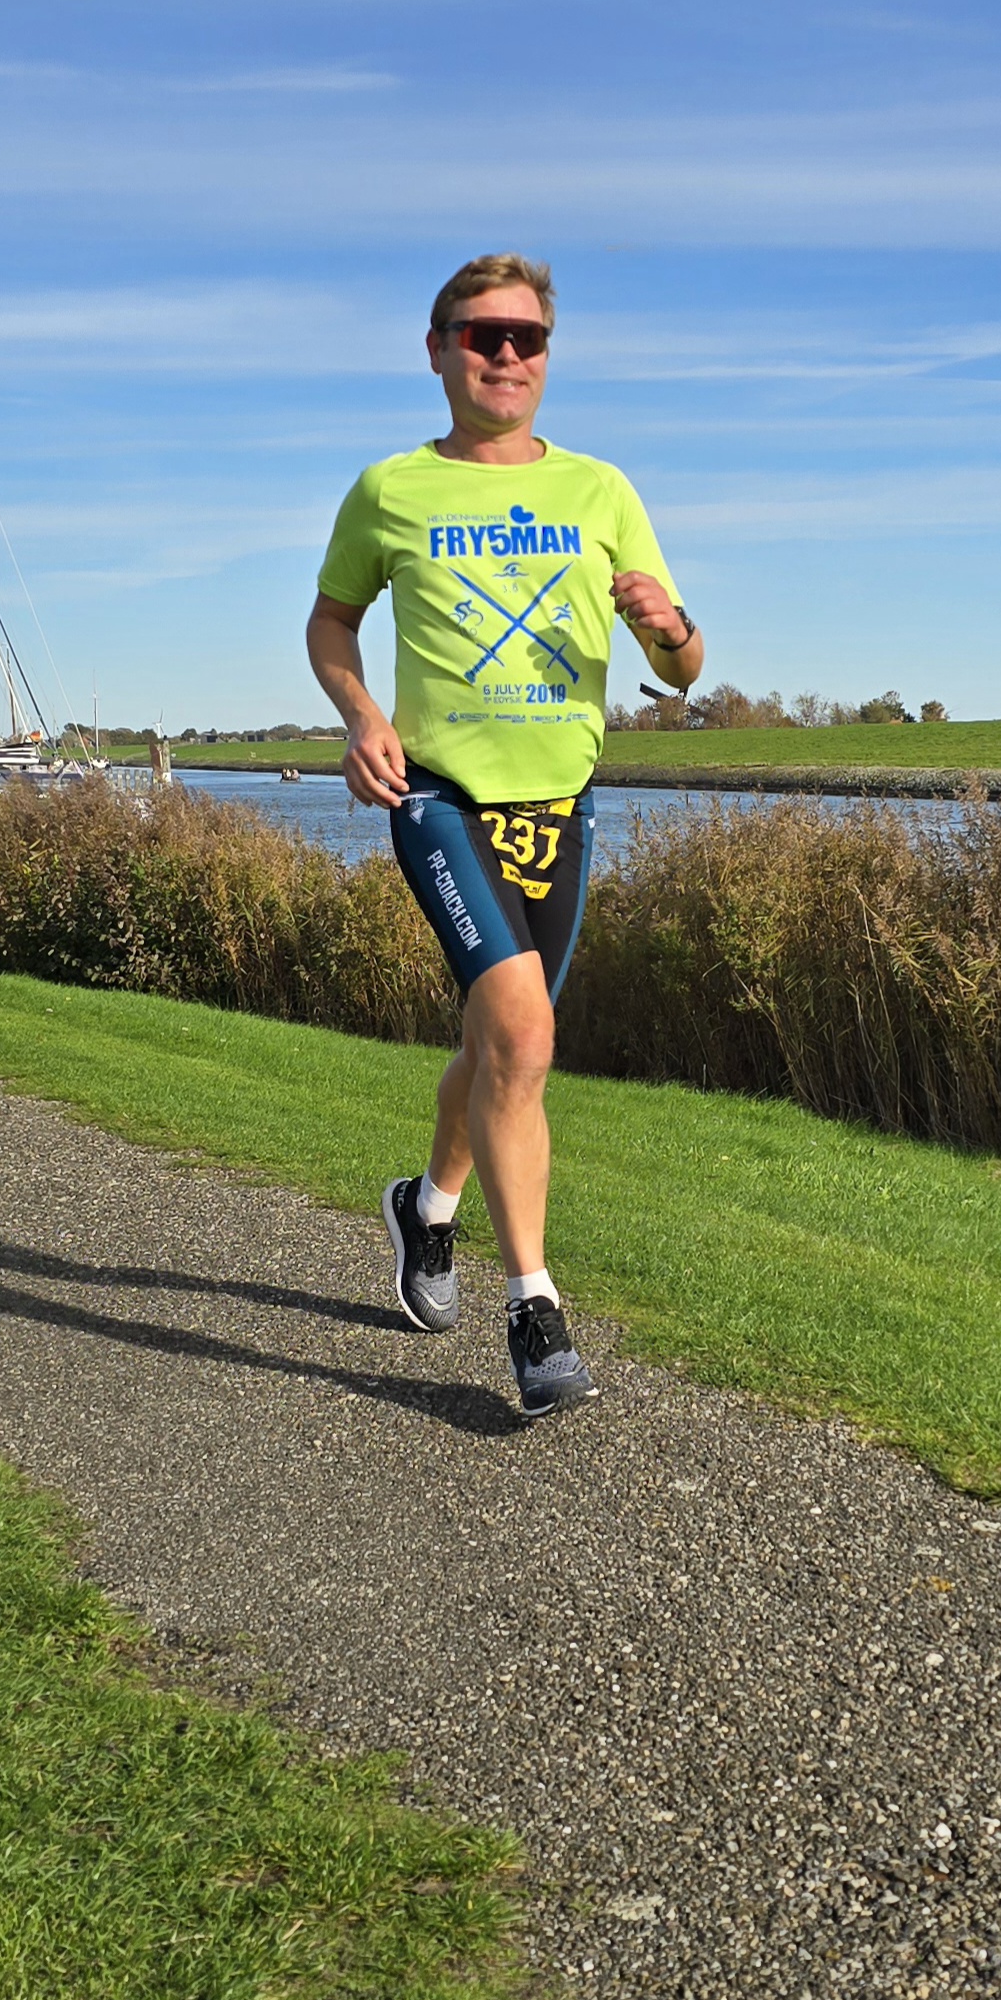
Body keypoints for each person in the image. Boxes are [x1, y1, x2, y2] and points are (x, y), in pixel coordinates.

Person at [306, 253, 704, 1417]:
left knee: (501, 1050)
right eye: (483, 334)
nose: (507, 355)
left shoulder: (601, 490)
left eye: (527, 337)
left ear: (546, 356)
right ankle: (536, 1309)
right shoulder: (391, 490)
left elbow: (683, 668)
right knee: (525, 1035)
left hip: (562, 811)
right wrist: (362, 715)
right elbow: (331, 621)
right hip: (439, 800)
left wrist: (669, 624)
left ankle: (426, 1208)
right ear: (438, 349)